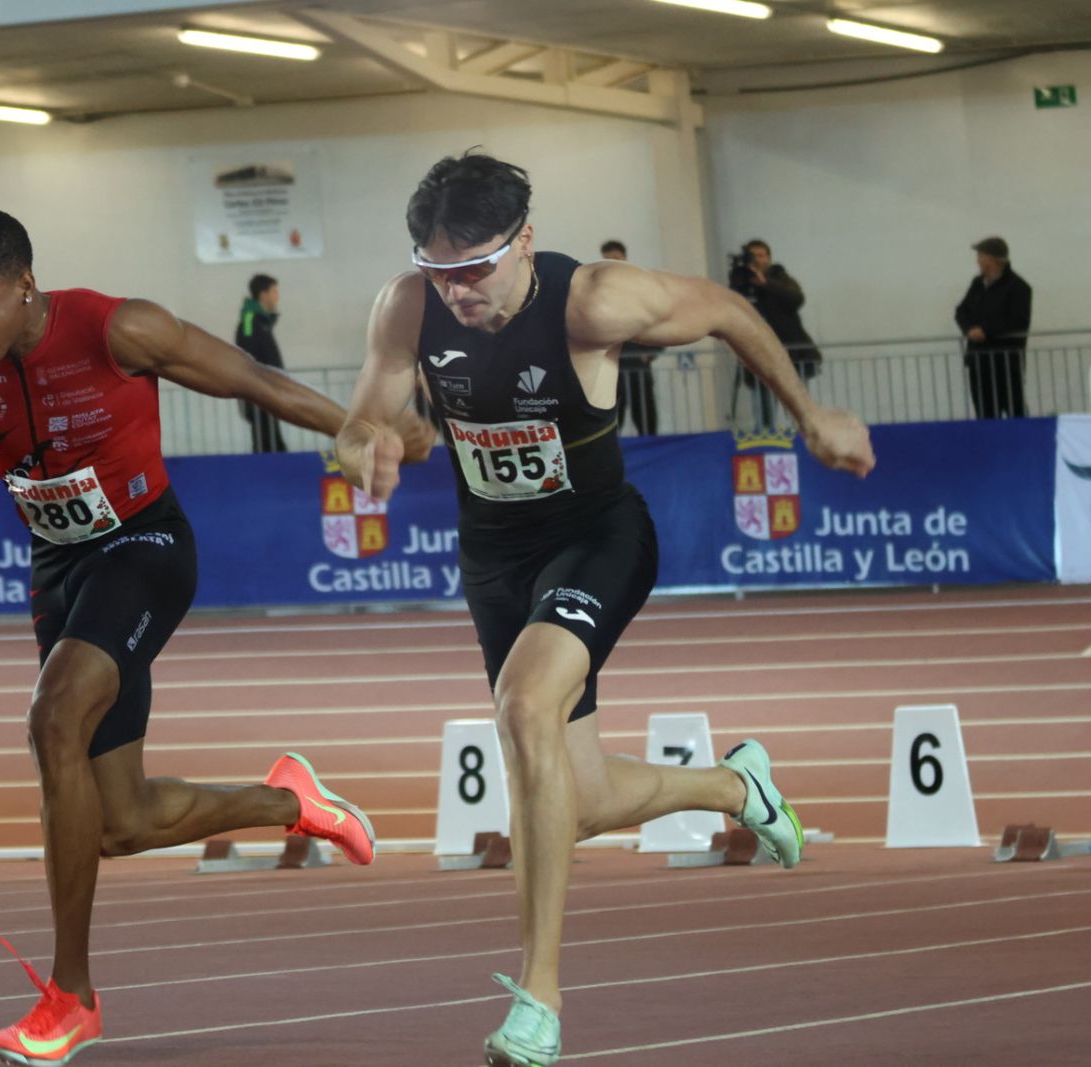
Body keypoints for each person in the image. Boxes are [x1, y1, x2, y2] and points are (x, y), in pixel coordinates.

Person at [335, 153, 875, 1067]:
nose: (460, 291)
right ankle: (737, 785)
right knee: (573, 801)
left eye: (476, 269)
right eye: (441, 271)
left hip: (599, 535)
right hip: (495, 556)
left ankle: (537, 1000)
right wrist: (365, 447)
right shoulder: (408, 305)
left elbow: (733, 309)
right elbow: (362, 415)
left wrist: (809, 414)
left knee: (522, 705)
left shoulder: (593, 300)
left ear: (526, 243)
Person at [0, 208, 429, 1067]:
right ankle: (293, 801)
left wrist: (352, 427)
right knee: (120, 822)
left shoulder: (119, 327)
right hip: (60, 570)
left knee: (54, 719)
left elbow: (246, 377)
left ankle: (71, 997)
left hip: (145, 545)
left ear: (25, 286)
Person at [729, 239, 822, 429]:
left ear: (769, 258)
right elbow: (730, 305)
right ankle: (767, 443)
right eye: (753, 256)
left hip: (793, 357)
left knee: (799, 409)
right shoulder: (742, 281)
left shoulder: (781, 278)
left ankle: (805, 443)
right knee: (764, 416)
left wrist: (766, 284)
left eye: (762, 255)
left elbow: (796, 299)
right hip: (759, 358)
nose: (758, 260)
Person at [955, 236, 1032, 419]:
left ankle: (1021, 444)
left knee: (1014, 410)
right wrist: (969, 329)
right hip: (979, 361)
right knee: (985, 413)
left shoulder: (1018, 287)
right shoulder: (977, 284)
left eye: (981, 256)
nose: (978, 260)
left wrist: (985, 331)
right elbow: (961, 311)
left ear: (993, 260)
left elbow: (1018, 321)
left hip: (1005, 363)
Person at [600, 241, 659, 436]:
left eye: (616, 259)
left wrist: (650, 354)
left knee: (645, 417)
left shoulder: (641, 287)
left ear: (625, 258)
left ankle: (651, 456)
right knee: (613, 419)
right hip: (614, 366)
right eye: (607, 259)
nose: (612, 263)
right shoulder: (600, 290)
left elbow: (657, 321)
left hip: (639, 365)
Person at [234, 273, 289, 452]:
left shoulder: (262, 321)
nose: (277, 296)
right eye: (274, 291)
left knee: (272, 440)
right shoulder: (250, 320)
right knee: (264, 442)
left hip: (270, 389)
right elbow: (247, 353)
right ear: (263, 294)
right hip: (259, 392)